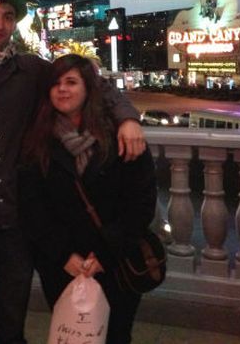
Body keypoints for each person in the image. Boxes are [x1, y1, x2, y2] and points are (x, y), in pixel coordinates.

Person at [0, 0, 145, 344]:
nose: (0, 23)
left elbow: (94, 84)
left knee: (12, 327)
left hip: (15, 224)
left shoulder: (31, 70)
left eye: (8, 16)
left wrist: (128, 119)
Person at [18, 54, 157, 344]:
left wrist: (105, 254)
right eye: (56, 83)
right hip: (63, 265)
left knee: (117, 334)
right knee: (71, 335)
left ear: (88, 89)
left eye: (71, 82)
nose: (62, 89)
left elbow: (140, 203)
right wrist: (63, 255)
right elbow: (32, 206)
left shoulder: (120, 137)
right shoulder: (38, 141)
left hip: (115, 262)